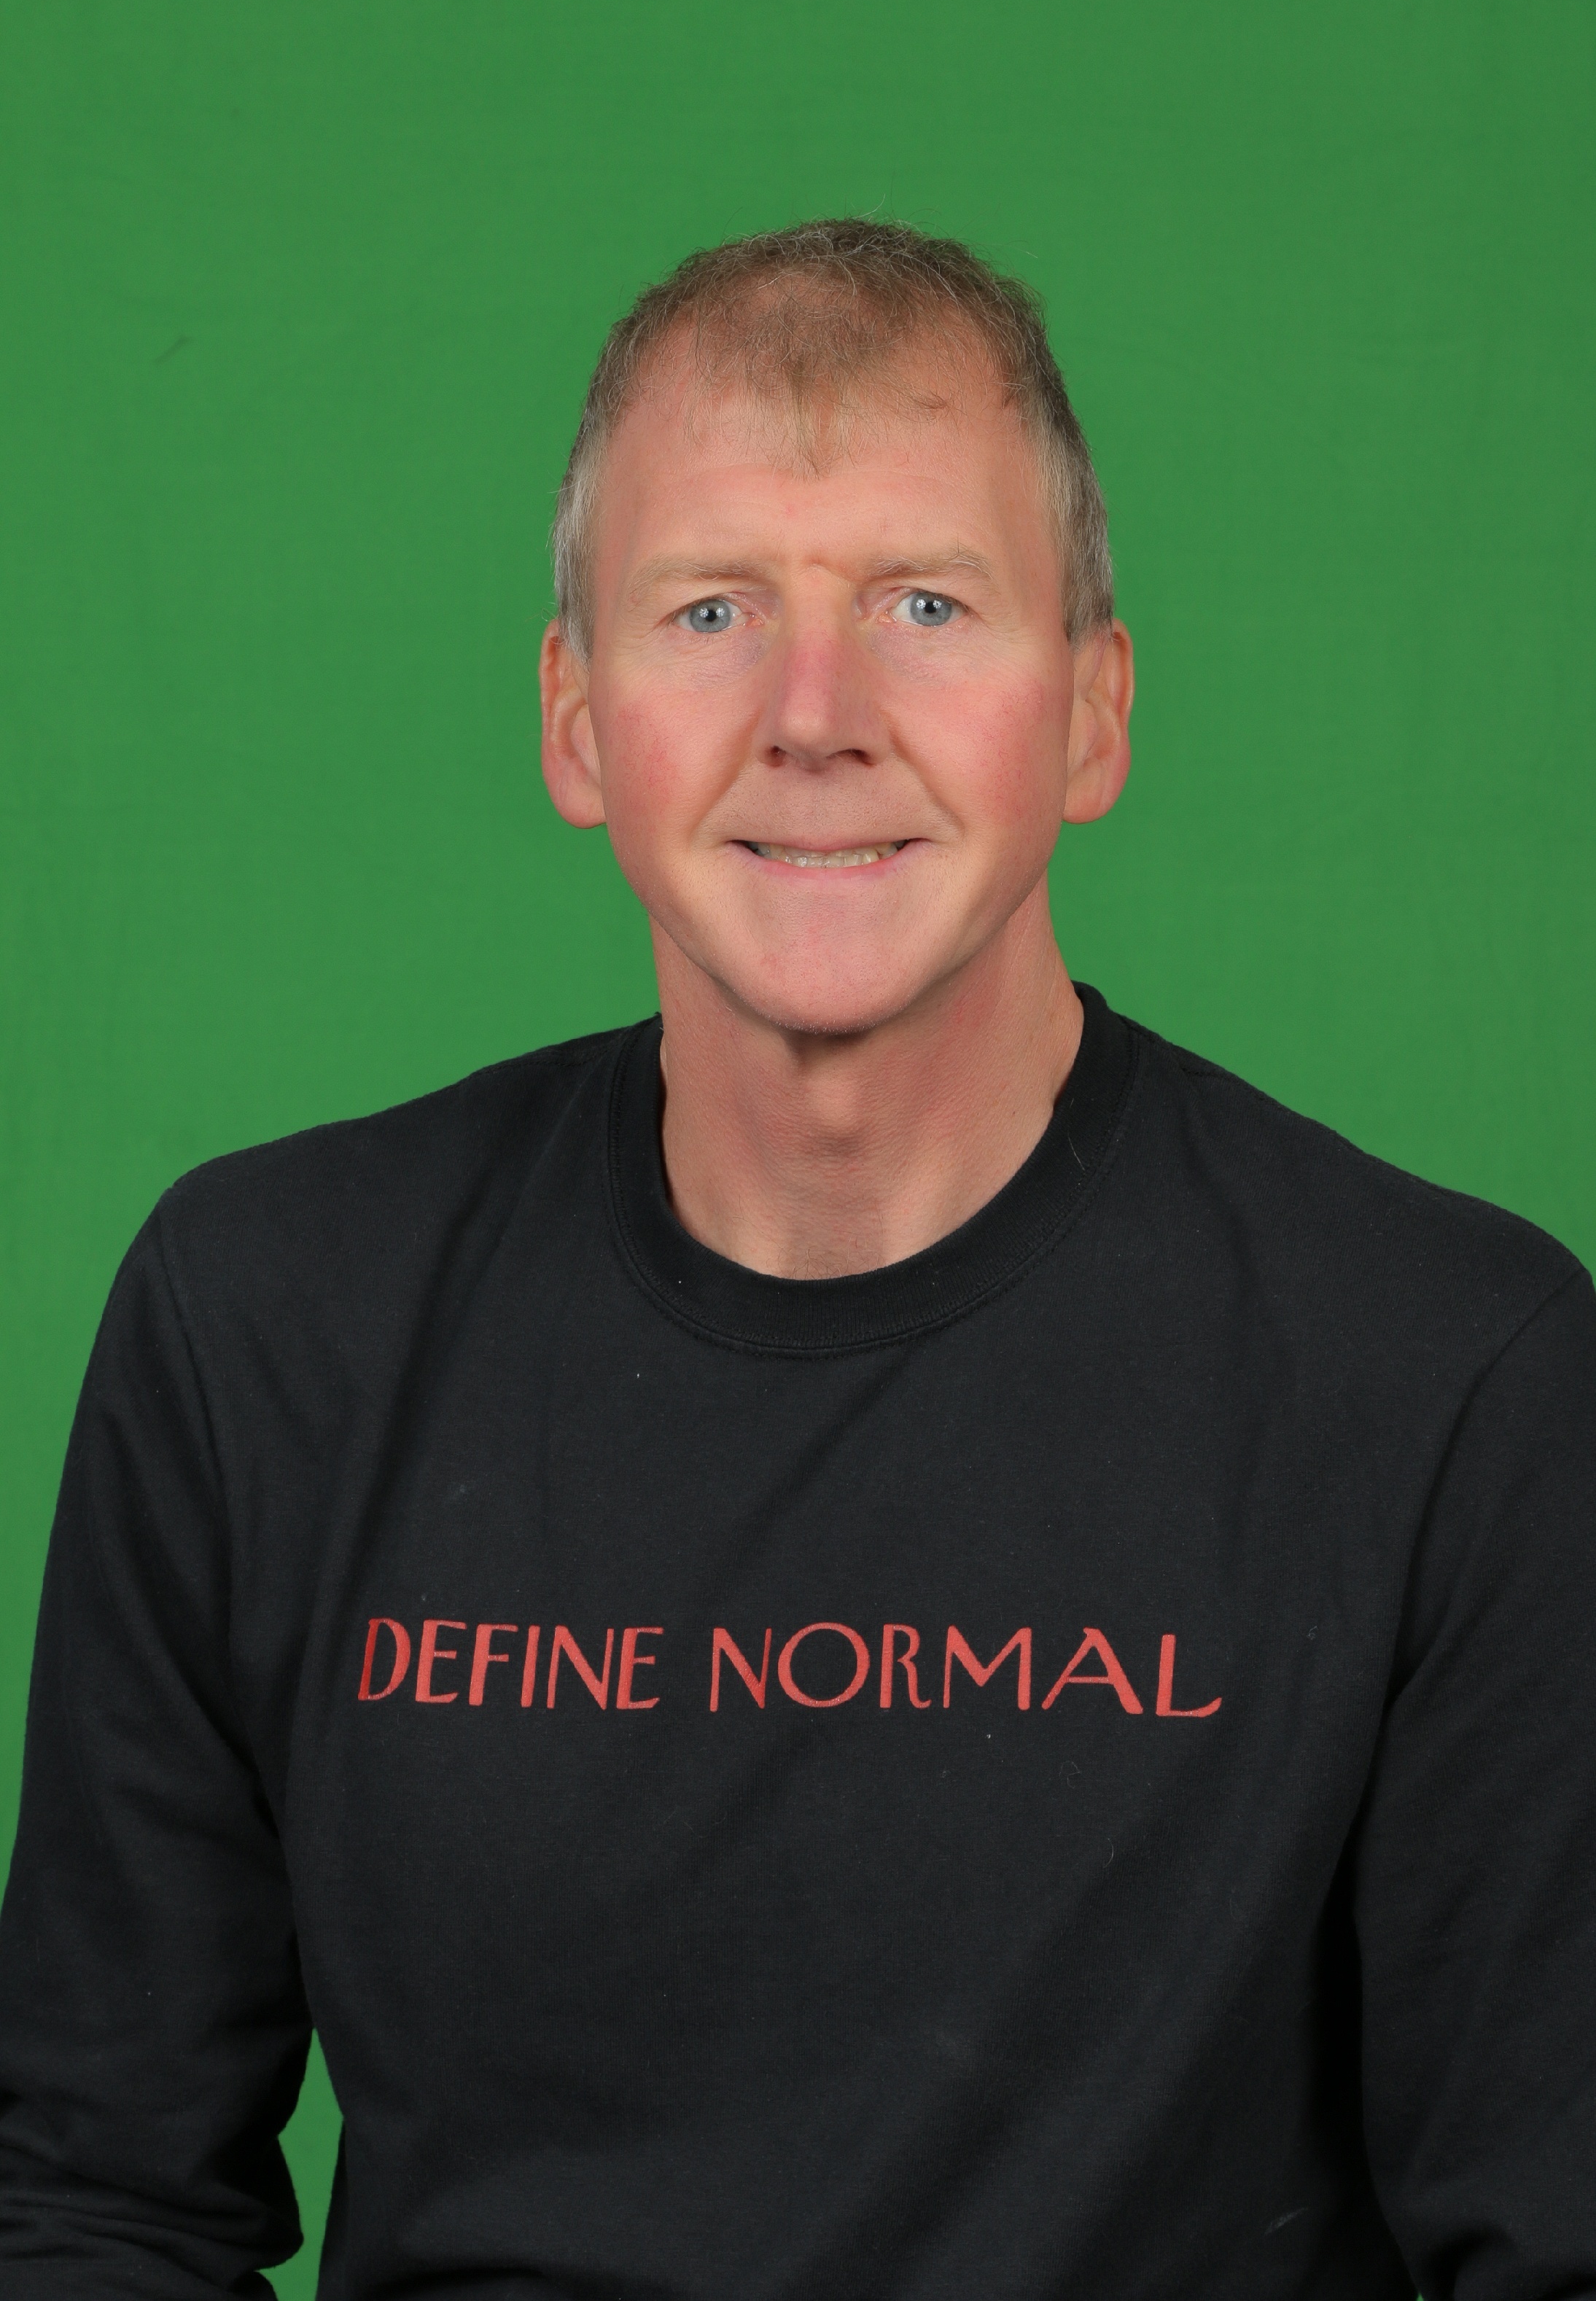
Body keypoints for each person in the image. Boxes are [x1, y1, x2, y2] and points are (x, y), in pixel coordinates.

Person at [0, 218, 1592, 2301]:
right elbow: (94, 2205)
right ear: (579, 722)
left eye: (927, 602)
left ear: (1092, 712)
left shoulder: (1450, 1377)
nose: (815, 713)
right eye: (712, 609)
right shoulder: (263, 1325)